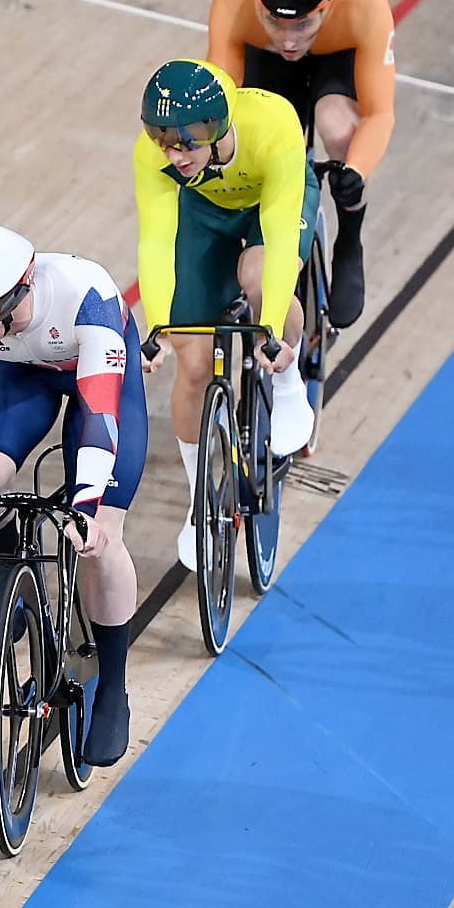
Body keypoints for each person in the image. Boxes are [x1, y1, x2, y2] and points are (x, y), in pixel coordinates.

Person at [0, 223, 145, 765]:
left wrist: (87, 506)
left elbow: (100, 420)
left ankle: (112, 684)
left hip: (99, 381)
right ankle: (15, 564)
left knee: (101, 537)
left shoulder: (86, 297)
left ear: (16, 295)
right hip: (19, 374)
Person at [135, 57, 318, 569]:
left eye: (185, 142)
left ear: (216, 128)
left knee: (259, 275)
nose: (173, 153)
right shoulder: (157, 158)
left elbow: (280, 237)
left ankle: (288, 384)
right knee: (193, 362)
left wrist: (272, 326)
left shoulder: (273, 125)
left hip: (273, 202)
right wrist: (158, 325)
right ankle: (200, 501)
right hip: (205, 215)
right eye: (161, 139)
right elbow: (156, 241)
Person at [207, 0, 398, 327]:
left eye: (302, 25)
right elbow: (221, 102)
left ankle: (349, 236)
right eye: (276, 21)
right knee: (249, 131)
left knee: (336, 125)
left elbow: (379, 113)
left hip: (337, 52)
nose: (289, 39)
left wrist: (355, 171)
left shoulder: (366, 4)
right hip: (263, 56)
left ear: (325, 9)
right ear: (259, 7)